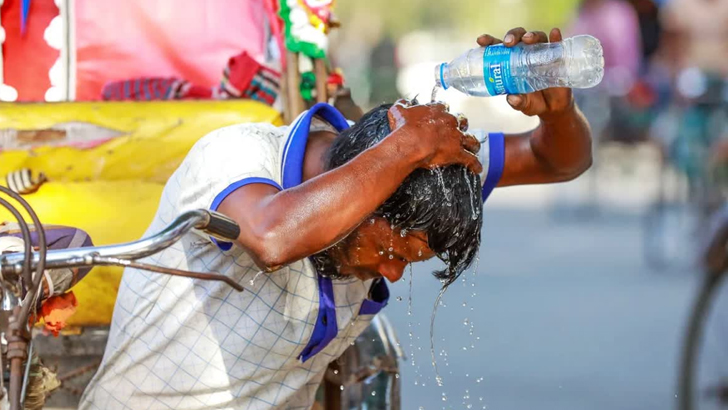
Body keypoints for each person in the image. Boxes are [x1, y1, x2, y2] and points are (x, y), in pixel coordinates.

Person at [80, 27, 592, 410]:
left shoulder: (419, 179)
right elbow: (273, 238)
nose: (393, 274)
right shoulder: (234, 157)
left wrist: (556, 112)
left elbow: (560, 160)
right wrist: (405, 147)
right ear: (366, 194)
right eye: (394, 252)